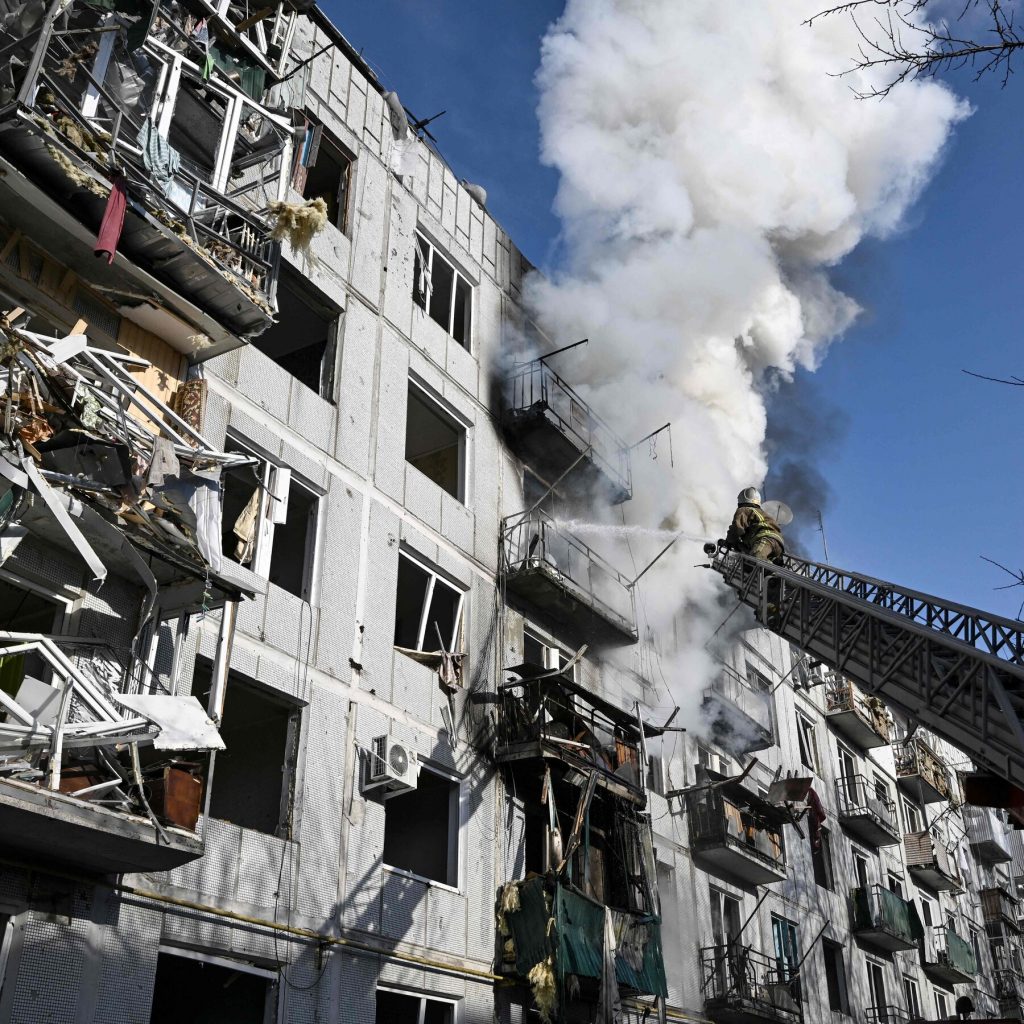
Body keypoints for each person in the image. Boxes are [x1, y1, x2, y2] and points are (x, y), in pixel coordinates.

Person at [726, 487, 785, 563]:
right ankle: (774, 563)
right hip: (779, 545)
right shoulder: (762, 513)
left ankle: (769, 566)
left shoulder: (744, 509)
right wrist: (739, 545)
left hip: (765, 539)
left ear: (740, 500)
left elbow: (736, 529)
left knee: (756, 558)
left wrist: (729, 541)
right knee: (749, 565)